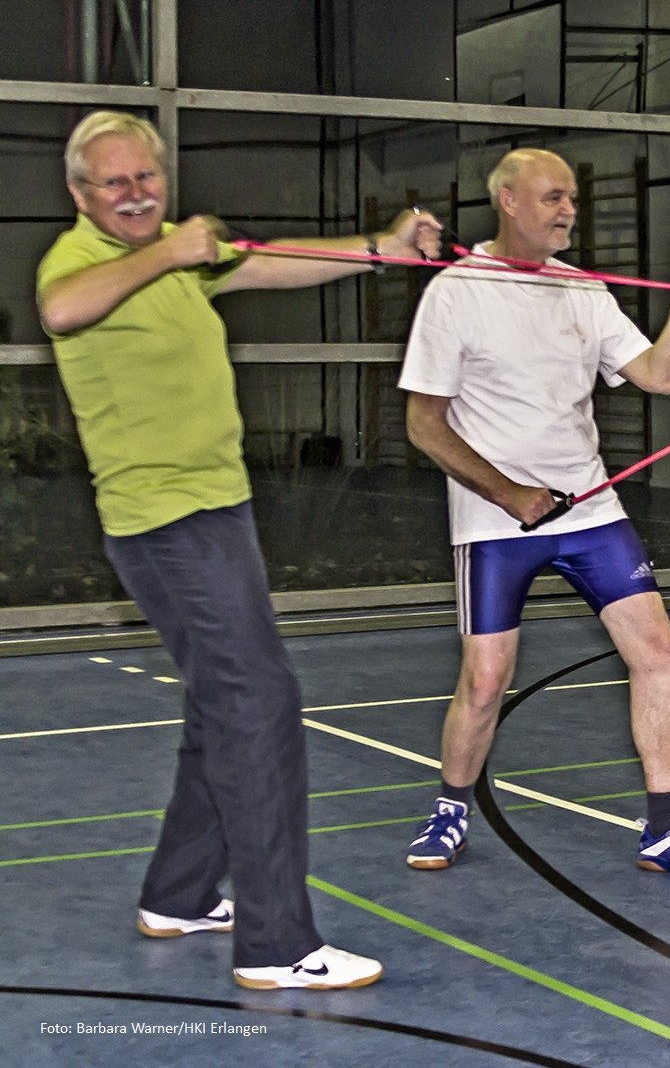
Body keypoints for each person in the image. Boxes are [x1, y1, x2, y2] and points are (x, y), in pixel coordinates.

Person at [37, 110, 442, 990]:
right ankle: (276, 943)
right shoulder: (78, 264)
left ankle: (178, 894)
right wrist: (171, 252)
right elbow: (60, 309)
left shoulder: (180, 260)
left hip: (217, 509)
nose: (138, 194)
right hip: (164, 522)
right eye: (116, 183)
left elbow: (269, 260)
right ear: (80, 195)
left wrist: (384, 246)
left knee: (222, 703)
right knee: (259, 702)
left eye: (147, 176)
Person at [398, 147, 670, 882]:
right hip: (496, 522)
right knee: (486, 679)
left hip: (588, 508)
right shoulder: (458, 291)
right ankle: (451, 806)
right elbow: (425, 424)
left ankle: (664, 827)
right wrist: (509, 494)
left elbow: (661, 374)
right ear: (510, 202)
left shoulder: (584, 292)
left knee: (657, 649)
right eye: (554, 198)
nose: (568, 212)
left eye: (574, 200)